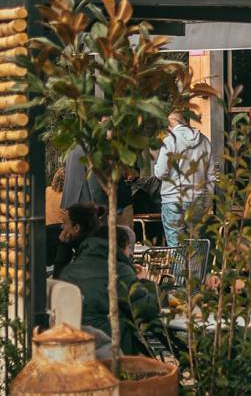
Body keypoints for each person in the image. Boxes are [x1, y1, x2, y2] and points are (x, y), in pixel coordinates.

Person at [59, 224, 162, 355]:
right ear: (123, 247)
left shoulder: (69, 269)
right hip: (110, 347)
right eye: (129, 248)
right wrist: (144, 281)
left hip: (70, 342)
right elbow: (146, 309)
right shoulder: (119, 270)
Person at [154, 111, 215, 248]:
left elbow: (161, 173)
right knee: (195, 245)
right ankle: (195, 270)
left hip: (173, 199)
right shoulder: (205, 141)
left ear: (170, 124)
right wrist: (207, 202)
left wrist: (156, 167)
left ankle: (178, 270)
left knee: (176, 246)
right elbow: (210, 176)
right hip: (196, 199)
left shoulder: (169, 141)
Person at [52, 202, 101, 278]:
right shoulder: (94, 244)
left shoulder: (88, 253)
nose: (62, 227)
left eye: (64, 223)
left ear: (76, 228)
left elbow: (60, 280)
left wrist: (64, 247)